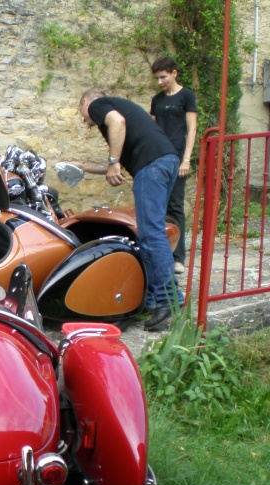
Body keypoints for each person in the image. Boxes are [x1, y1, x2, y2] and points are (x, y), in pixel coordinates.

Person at [70, 88, 183, 331]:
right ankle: (152, 300)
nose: (83, 118)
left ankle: (169, 302)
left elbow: (117, 123)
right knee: (147, 234)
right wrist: (81, 165)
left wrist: (112, 163)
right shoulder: (119, 110)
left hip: (151, 165)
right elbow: (116, 162)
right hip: (164, 161)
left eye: (82, 112)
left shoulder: (98, 105)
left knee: (151, 234)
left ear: (87, 101)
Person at [150, 57, 198, 275]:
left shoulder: (186, 96)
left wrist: (186, 159)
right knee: (157, 206)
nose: (160, 81)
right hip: (159, 158)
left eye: (163, 77)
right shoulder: (157, 100)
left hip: (178, 158)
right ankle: (161, 255)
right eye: (157, 78)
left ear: (174, 73)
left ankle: (178, 258)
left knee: (175, 206)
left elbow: (192, 130)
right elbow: (151, 130)